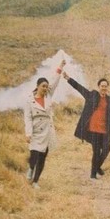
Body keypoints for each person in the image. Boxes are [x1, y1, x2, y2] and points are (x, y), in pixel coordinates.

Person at [63, 73, 110, 180]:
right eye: (102, 86)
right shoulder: (92, 95)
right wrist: (68, 78)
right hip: (93, 129)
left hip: (104, 130)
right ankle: (93, 175)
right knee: (96, 151)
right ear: (99, 87)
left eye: (105, 86)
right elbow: (79, 88)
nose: (104, 88)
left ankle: (97, 167)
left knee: (107, 149)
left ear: (107, 87)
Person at [23, 59, 66, 189]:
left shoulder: (48, 95)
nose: (45, 88)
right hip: (36, 130)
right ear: (37, 86)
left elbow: (55, 80)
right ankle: (31, 168)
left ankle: (36, 181)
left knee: (43, 156)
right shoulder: (29, 101)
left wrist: (61, 66)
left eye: (47, 87)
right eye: (43, 86)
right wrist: (28, 133)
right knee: (34, 155)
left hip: (47, 130)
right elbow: (28, 118)